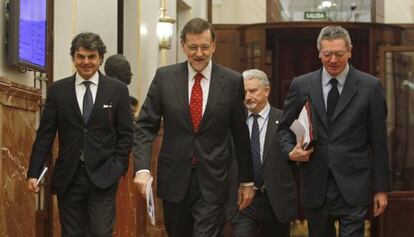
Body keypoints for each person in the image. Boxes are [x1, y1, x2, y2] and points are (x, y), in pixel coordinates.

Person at [132, 17, 254, 237]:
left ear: (214, 46)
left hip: (214, 180)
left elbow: (240, 134)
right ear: (182, 46)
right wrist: (142, 168)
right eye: (193, 47)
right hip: (174, 178)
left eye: (205, 47)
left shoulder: (231, 81)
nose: (199, 53)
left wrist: (246, 180)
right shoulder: (164, 77)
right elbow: (145, 126)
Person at [277, 25, 389, 237]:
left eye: (339, 54)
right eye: (327, 54)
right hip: (315, 184)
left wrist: (381, 188)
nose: (333, 60)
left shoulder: (370, 86)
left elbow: (379, 141)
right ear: (319, 53)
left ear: (350, 51)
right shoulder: (302, 85)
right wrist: (291, 151)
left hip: (354, 184)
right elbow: (284, 128)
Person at [26, 32, 134, 237]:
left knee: (101, 232)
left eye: (91, 57)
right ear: (73, 57)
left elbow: (125, 133)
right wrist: (34, 172)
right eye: (81, 56)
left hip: (104, 175)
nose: (86, 62)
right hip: (69, 176)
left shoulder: (117, 90)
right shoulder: (58, 90)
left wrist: (119, 166)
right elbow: (45, 135)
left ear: (100, 58)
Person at [226, 69, 297, 237]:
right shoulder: (233, 121)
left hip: (276, 200)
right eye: (244, 92)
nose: (248, 96)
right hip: (242, 199)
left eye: (253, 91)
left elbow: (294, 157)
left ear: (267, 90)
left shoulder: (286, 120)